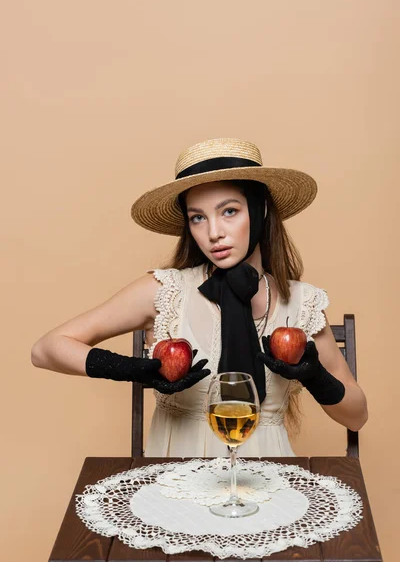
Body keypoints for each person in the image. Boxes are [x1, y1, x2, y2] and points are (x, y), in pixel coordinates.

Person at [31, 138, 368, 457]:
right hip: (177, 478)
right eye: (197, 218)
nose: (213, 233)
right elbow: (45, 349)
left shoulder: (302, 304)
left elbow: (357, 417)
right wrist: (136, 369)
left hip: (267, 478)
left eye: (230, 211)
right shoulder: (167, 292)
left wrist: (315, 377)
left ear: (260, 210)